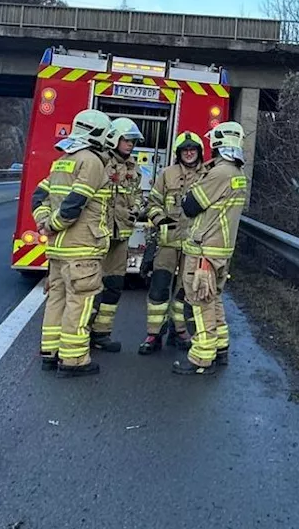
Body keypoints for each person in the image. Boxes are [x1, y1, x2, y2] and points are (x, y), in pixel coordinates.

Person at [30, 108, 114, 376]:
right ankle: (74, 360)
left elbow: (37, 197)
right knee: (80, 303)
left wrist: (44, 222)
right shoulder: (91, 161)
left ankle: (49, 352)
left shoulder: (62, 160)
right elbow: (75, 203)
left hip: (58, 250)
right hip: (82, 248)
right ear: (100, 134)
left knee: (57, 299)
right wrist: (54, 223)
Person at [174, 121, 248, 375]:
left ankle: (201, 357)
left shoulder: (221, 172)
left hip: (204, 249)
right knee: (213, 298)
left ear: (218, 142)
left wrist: (189, 193)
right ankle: (220, 347)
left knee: (199, 301)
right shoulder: (236, 173)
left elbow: (190, 205)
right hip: (220, 248)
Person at [139, 131, 205, 355]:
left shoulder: (207, 176)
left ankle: (180, 332)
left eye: (192, 150)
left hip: (193, 245)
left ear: (198, 152)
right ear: (178, 153)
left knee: (185, 291)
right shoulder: (167, 174)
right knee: (158, 288)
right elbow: (153, 202)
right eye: (185, 150)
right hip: (167, 243)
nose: (189, 153)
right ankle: (153, 334)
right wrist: (160, 219)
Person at [88, 117, 144, 353]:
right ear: (113, 138)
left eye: (133, 141)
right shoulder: (99, 162)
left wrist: (137, 208)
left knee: (113, 285)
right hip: (96, 234)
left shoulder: (133, 168)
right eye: (126, 139)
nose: (130, 144)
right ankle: (81, 333)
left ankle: (102, 334)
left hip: (120, 236)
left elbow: (138, 195)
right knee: (89, 286)